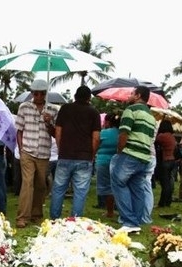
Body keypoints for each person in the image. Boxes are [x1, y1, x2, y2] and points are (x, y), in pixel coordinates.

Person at [109, 86, 156, 233]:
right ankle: (136, 222)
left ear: (138, 95)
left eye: (131, 93)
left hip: (130, 153)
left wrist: (119, 150)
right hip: (145, 156)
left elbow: (124, 134)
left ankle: (129, 221)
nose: (129, 96)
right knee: (137, 189)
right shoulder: (151, 116)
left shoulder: (131, 111)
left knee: (118, 182)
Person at [49, 85, 100, 219]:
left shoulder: (65, 109)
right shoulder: (94, 113)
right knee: (80, 191)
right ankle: (75, 221)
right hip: (84, 156)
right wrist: (92, 155)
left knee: (58, 189)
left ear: (75, 96)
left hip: (65, 154)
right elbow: (96, 138)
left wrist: (61, 148)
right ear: (89, 98)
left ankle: (54, 219)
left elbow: (58, 132)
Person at [14, 79, 58, 228]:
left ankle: (36, 214)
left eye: (42, 93)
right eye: (36, 93)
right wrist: (21, 149)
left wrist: (49, 122)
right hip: (27, 151)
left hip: (44, 153)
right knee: (27, 184)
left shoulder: (52, 110)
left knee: (40, 185)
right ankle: (22, 217)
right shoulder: (24, 107)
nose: (39, 96)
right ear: (32, 93)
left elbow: (54, 134)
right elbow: (19, 131)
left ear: (45, 94)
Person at [96, 113, 121, 218]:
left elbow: (96, 143)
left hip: (103, 162)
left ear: (108, 122)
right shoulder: (122, 134)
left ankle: (109, 211)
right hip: (119, 162)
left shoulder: (103, 133)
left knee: (107, 187)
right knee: (118, 186)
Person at [154, 120, 177, 208]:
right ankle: (168, 201)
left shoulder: (161, 136)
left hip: (165, 160)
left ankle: (162, 203)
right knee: (170, 182)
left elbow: (153, 141)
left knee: (165, 183)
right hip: (172, 160)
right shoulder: (172, 136)